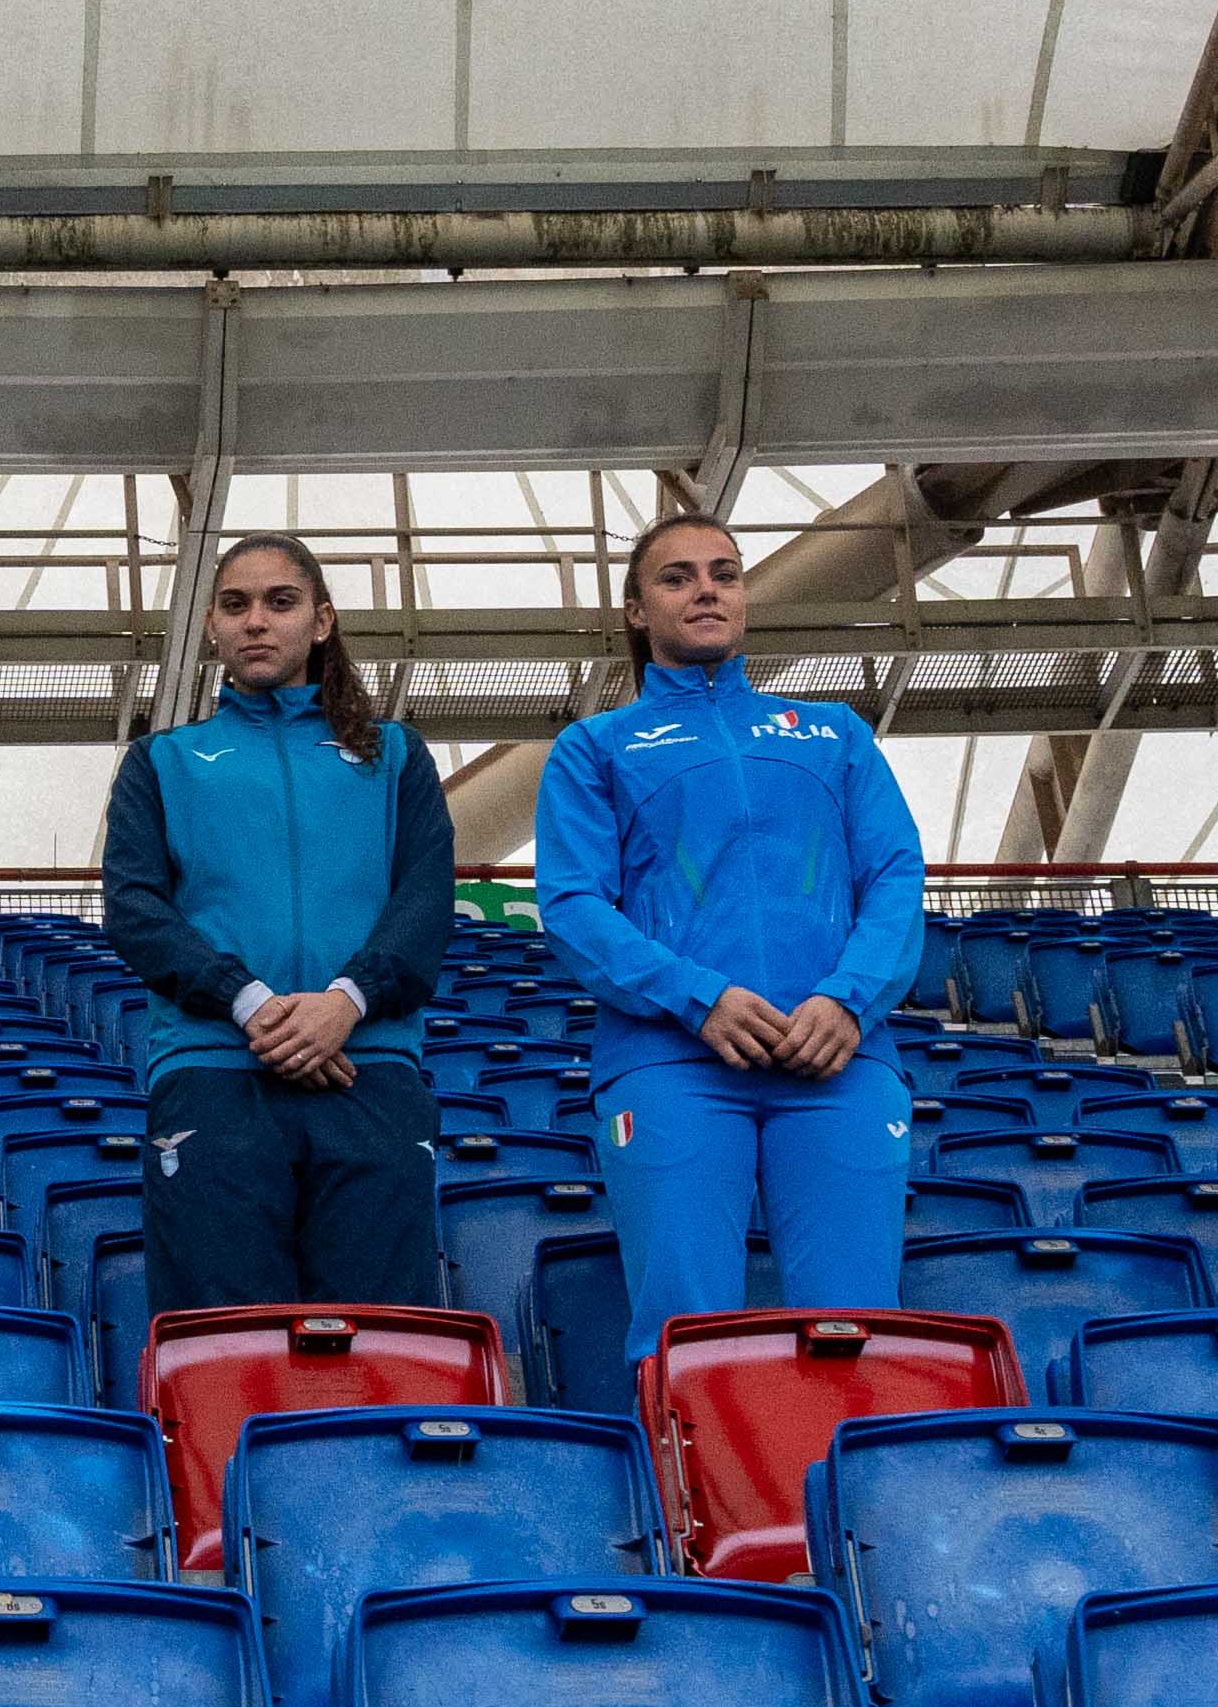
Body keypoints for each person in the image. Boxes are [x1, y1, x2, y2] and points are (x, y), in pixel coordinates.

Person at [535, 506, 925, 1346]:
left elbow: (894, 877)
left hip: (840, 1063)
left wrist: (849, 1001)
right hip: (672, 1064)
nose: (706, 590)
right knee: (685, 1328)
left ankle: (840, 1482)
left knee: (855, 1329)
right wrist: (699, 999)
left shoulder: (835, 734)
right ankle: (694, 1484)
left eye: (725, 573)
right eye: (677, 578)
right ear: (638, 611)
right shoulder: (597, 746)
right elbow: (571, 904)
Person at [103, 532, 455, 1312]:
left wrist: (345, 1003)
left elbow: (425, 899)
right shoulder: (163, 759)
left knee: (380, 1337)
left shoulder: (395, 755)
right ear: (211, 628)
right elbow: (134, 909)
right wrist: (251, 1002)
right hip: (213, 1073)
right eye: (235, 604)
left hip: (370, 1069)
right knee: (227, 1334)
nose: (256, 620)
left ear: (322, 622)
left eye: (280, 602)